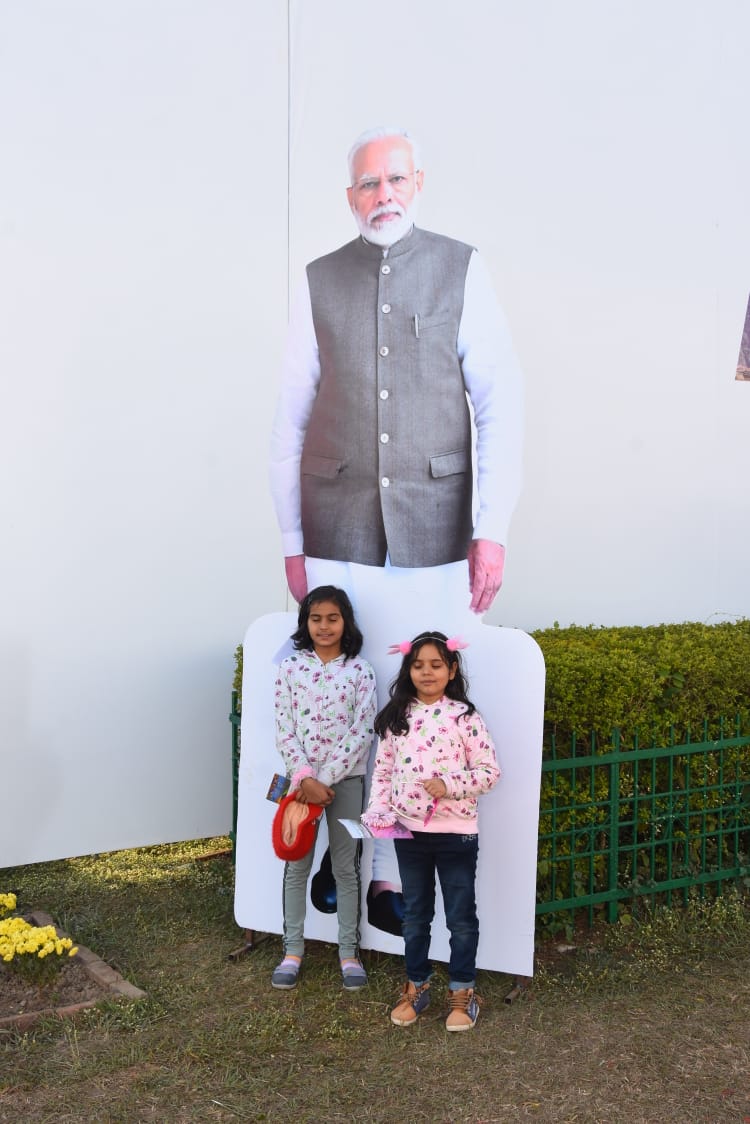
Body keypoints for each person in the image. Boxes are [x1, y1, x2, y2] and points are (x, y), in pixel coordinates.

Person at [269, 124, 523, 617]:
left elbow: (500, 407)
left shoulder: (462, 267)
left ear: (418, 182)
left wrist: (492, 530)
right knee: (343, 664)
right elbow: (290, 421)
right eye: (369, 183)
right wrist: (291, 541)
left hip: (438, 525)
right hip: (334, 530)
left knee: (431, 666)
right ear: (351, 197)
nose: (384, 195)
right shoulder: (317, 279)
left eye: (397, 179)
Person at [362, 631, 500, 1030]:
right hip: (409, 836)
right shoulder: (397, 718)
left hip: (457, 836)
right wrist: (378, 812)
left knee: (460, 917)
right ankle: (416, 986)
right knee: (415, 915)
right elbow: (383, 773)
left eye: (436, 665)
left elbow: (489, 772)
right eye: (418, 665)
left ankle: (463, 992)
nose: (427, 672)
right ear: (408, 670)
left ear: (451, 670)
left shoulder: (465, 717)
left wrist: (449, 784)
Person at [271, 585, 376, 991]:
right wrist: (305, 779)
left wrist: (325, 780)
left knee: (346, 867)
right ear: (306, 623)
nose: (325, 626)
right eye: (316, 618)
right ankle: (292, 951)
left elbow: (363, 731)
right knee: (296, 864)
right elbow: (284, 728)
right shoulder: (290, 669)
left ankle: (348, 953)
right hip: (299, 787)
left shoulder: (361, 671)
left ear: (345, 622)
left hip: (345, 785)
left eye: (333, 618)